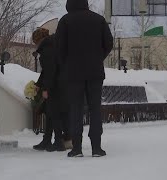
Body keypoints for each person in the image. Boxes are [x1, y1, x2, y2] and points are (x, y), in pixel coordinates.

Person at [56, 0, 113, 157]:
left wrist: (66, 64)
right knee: (95, 109)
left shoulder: (65, 20)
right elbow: (109, 43)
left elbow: (59, 47)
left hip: (73, 74)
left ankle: (77, 148)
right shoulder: (98, 19)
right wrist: (97, 57)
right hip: (95, 73)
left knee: (76, 110)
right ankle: (96, 148)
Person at [32, 28, 65, 152]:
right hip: (60, 84)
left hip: (54, 86)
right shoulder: (53, 45)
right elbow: (46, 71)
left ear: (38, 40)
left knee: (54, 113)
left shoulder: (47, 50)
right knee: (50, 113)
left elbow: (50, 71)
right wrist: (39, 84)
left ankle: (57, 142)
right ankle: (47, 140)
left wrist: (46, 89)